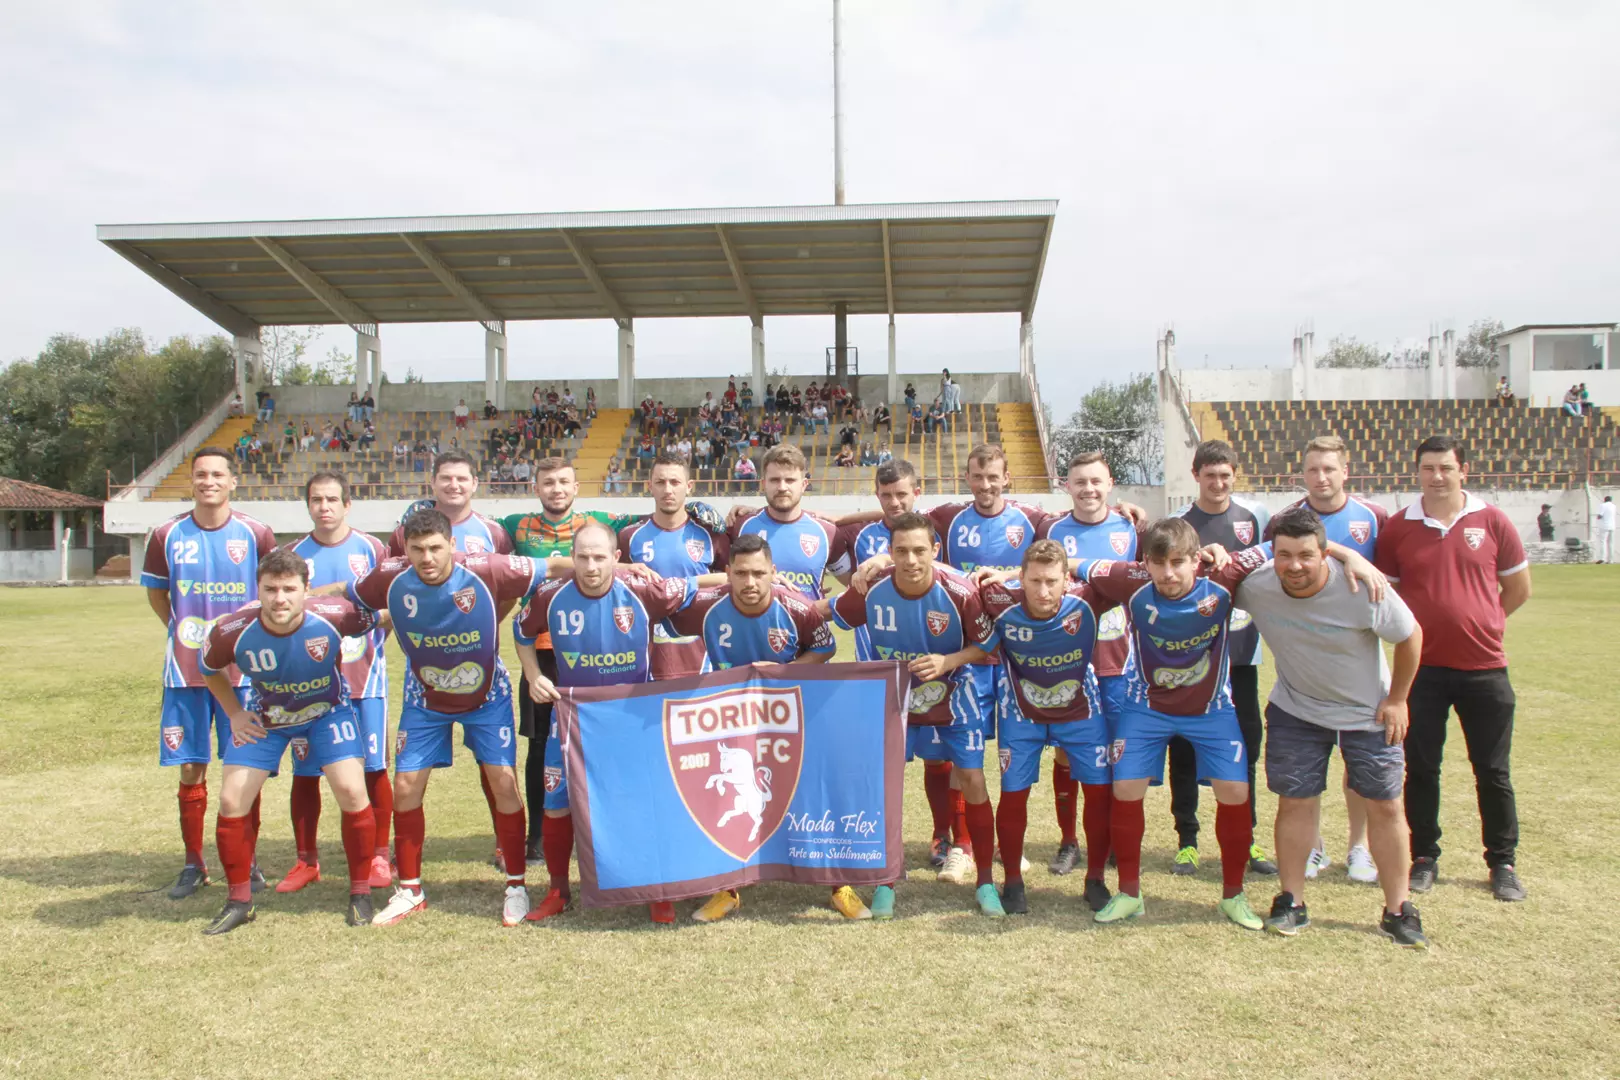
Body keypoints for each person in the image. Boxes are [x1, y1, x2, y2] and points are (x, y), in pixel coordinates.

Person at [1072, 522, 1383, 929]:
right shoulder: (1128, 580)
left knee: (1235, 792)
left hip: (1211, 710)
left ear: (1196, 559)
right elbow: (1074, 564)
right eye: (1159, 564)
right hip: (1145, 707)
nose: (1168, 574)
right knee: (1125, 787)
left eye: (1179, 563)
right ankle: (1130, 892)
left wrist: (1350, 554)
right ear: (1144, 562)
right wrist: (1008, 575)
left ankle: (1233, 896)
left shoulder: (1223, 575)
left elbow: (1282, 544)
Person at [495, 458, 725, 857]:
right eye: (547, 482)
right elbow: (514, 616)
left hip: (617, 656)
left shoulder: (607, 520)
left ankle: (631, 849)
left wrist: (720, 520)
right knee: (543, 750)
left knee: (635, 767)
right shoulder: (513, 524)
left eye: (564, 481)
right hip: (553, 657)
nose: (556, 489)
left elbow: (661, 522)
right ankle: (539, 843)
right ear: (535, 487)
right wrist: (531, 674)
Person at [1236, 506, 1429, 947]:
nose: (1294, 566)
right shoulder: (1259, 584)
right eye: (1284, 555)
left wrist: (1397, 699)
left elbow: (1410, 634)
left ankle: (1399, 909)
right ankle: (1292, 900)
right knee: (1295, 801)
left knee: (1385, 805)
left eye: (1306, 555)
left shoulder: (1362, 587)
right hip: (1296, 709)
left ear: (1325, 555)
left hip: (1368, 713)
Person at [516, 519, 720, 923]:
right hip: (574, 716)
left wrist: (741, 576)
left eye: (598, 557)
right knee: (557, 805)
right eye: (582, 557)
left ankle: (655, 890)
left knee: (642, 803)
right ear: (571, 558)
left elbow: (703, 585)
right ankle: (558, 889)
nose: (590, 566)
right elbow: (522, 634)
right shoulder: (548, 596)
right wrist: (533, 674)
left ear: (616, 558)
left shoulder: (645, 592)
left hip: (631, 717)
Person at [354, 509, 549, 926]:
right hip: (425, 699)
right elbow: (348, 592)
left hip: (487, 697)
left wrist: (625, 568)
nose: (427, 557)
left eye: (436, 548)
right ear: (404, 549)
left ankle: (516, 884)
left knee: (503, 781)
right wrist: (299, 596)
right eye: (417, 549)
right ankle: (409, 889)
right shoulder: (389, 578)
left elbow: (560, 565)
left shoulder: (486, 568)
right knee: (406, 785)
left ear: (453, 546)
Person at [1374, 434, 1532, 902]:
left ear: (1464, 470)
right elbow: (1392, 599)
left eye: (1446, 467)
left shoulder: (1492, 520)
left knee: (1493, 770)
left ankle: (1502, 862)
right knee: (1421, 768)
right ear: (1417, 472)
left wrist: (1486, 622)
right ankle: (1425, 857)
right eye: (1428, 468)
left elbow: (1518, 588)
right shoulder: (1400, 527)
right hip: (1421, 671)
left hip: (1485, 669)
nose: (1437, 476)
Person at [196, 549, 379, 934]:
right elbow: (210, 668)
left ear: (306, 590)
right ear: (258, 590)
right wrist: (233, 713)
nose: (280, 599)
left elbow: (383, 612)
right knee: (232, 800)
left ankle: (361, 893)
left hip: (327, 714)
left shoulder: (333, 614)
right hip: (267, 719)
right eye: (271, 589)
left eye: (289, 589)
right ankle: (239, 901)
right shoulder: (233, 629)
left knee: (350, 790)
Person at [832, 513, 1000, 918]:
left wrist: (949, 659)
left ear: (935, 551)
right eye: (901, 551)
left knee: (973, 779)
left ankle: (986, 882)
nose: (911, 560)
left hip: (954, 699)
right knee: (884, 786)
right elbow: (828, 615)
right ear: (889, 553)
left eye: (919, 550)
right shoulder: (871, 588)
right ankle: (886, 881)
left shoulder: (958, 591)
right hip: (894, 704)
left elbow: (988, 644)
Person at [140, 447, 278, 899]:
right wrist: (185, 636)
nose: (209, 481)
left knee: (245, 769)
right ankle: (194, 863)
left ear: (233, 481)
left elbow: (273, 594)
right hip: (185, 675)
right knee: (191, 768)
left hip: (244, 676)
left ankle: (248, 859)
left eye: (218, 474)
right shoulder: (166, 535)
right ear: (192, 481)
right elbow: (159, 598)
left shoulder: (256, 534)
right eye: (201, 474)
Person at [1264, 436, 1389, 882]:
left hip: (1360, 660)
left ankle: (1360, 847)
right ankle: (1313, 846)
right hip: (1303, 660)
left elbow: (1388, 580)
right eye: (1313, 469)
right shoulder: (1286, 520)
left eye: (1330, 469)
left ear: (1345, 472)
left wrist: (1354, 557)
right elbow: (1272, 563)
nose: (1321, 477)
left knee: (1361, 765)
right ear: (1303, 473)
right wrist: (1343, 551)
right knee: (1306, 766)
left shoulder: (1373, 518)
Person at [977, 540, 1121, 915]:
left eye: (1052, 581)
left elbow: (1135, 573)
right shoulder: (997, 599)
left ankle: (1095, 880)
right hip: (1020, 714)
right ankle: (1012, 882)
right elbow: (947, 582)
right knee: (1013, 795)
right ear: (1021, 578)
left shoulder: (1088, 597)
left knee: (1099, 794)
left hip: (1081, 712)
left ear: (1066, 580)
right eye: (1035, 580)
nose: (1044, 591)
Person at [279, 473, 394, 896]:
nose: (324, 507)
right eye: (315, 500)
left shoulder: (372, 549)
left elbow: (392, 606)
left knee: (373, 766)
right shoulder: (291, 553)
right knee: (306, 769)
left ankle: (380, 855)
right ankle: (306, 860)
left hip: (364, 680)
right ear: (307, 505)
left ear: (348, 504)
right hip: (308, 687)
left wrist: (363, 627)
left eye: (332, 499)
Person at [1168, 440, 1277, 877]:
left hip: (1241, 657)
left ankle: (1245, 839)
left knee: (1246, 747)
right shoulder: (1180, 522)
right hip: (1189, 659)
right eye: (1209, 475)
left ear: (1235, 474)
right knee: (1184, 748)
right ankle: (1187, 841)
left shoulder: (1256, 519)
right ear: (1196, 475)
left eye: (1225, 475)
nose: (1218, 483)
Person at [1035, 452, 1141, 877]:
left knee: (1116, 755)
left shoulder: (1132, 527)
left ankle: (1111, 839)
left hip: (1118, 665)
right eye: (1080, 482)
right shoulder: (1053, 530)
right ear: (1067, 486)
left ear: (1110, 483)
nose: (1089, 490)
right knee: (1066, 755)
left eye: (1096, 481)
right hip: (1069, 663)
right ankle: (1068, 841)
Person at [618, 452, 732, 679]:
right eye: (660, 482)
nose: (668, 490)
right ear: (650, 486)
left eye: (675, 482)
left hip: (701, 651)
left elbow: (732, 581)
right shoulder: (629, 536)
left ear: (689, 486)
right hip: (648, 652)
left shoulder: (712, 535)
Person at [1598, 495, 1616, 562]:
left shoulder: (1603, 505)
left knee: (1603, 542)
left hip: (1604, 526)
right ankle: (1610, 560)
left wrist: (1598, 518)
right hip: (1612, 526)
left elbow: (1600, 515)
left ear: (1604, 500)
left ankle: (1602, 558)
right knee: (1611, 543)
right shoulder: (1614, 506)